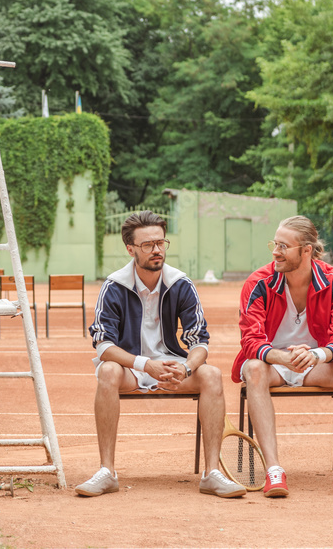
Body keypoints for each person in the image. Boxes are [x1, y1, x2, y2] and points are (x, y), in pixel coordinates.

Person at [77, 210, 246, 498]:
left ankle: (211, 473)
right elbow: (103, 346)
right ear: (130, 249)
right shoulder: (114, 287)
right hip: (131, 369)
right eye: (147, 245)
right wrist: (146, 365)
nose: (156, 250)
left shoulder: (181, 283)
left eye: (160, 243)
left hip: (173, 367)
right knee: (106, 370)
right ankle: (107, 472)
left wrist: (187, 369)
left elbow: (199, 341)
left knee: (212, 375)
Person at [232, 215, 333, 498]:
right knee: (252, 368)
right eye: (274, 244)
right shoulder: (258, 282)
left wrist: (317, 354)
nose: (275, 252)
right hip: (273, 366)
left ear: (306, 250)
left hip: (316, 364)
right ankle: (274, 470)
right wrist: (279, 357)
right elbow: (249, 340)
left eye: (283, 246)